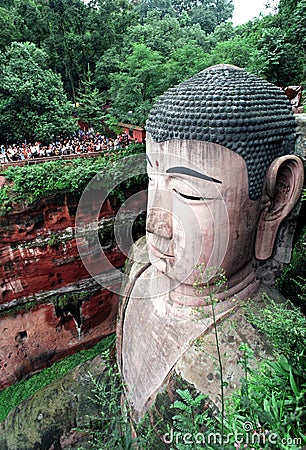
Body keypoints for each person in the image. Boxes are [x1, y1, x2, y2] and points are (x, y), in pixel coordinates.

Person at [117, 65, 304, 423]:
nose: (155, 223)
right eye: (152, 180)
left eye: (188, 192)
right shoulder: (140, 264)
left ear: (277, 196)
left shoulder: (265, 366)